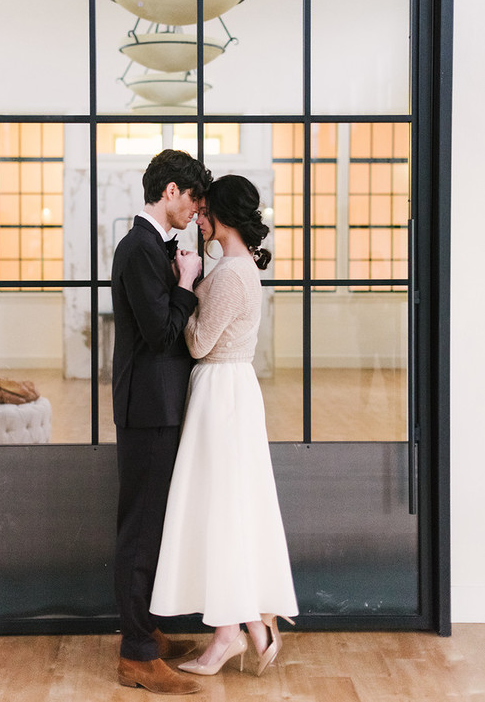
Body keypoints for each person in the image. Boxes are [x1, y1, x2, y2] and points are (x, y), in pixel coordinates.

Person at [150, 174, 298, 676]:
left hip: (222, 392)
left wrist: (184, 285)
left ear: (225, 216)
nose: (199, 218)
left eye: (206, 210)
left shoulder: (233, 274)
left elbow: (197, 343)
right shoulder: (236, 267)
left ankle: (232, 633)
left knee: (221, 507)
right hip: (226, 390)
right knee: (226, 507)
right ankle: (248, 625)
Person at [111, 149, 212, 695]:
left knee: (151, 525)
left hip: (157, 406)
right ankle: (136, 655)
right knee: (140, 529)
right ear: (170, 191)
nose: (197, 211)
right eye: (193, 199)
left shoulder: (152, 247)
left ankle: (144, 630)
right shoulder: (139, 248)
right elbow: (161, 334)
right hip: (148, 408)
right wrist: (187, 282)